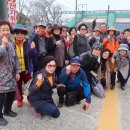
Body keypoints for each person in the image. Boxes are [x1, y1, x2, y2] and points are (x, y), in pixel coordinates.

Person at [0, 21, 20, 126]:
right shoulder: (2, 42)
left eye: (7, 29)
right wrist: (3, 45)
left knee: (11, 94)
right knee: (1, 96)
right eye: (3, 30)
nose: (6, 32)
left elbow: (15, 58)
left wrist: (17, 71)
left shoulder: (11, 42)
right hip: (1, 76)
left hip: (11, 75)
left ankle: (8, 110)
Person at [12, 24, 33, 107]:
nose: (20, 34)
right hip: (17, 70)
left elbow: (33, 56)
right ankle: (20, 99)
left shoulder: (28, 42)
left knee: (29, 85)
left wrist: (33, 49)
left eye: (22, 33)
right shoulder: (11, 43)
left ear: (25, 34)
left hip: (27, 68)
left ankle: (29, 98)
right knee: (19, 85)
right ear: (14, 34)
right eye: (17, 33)